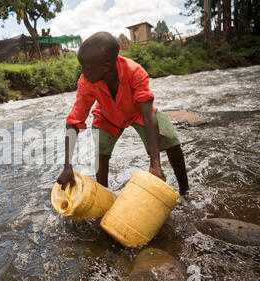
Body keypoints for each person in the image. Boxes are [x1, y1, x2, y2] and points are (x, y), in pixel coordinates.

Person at [56, 32, 189, 196]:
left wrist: (155, 163)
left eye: (87, 67)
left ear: (105, 67)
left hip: (137, 113)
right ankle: (103, 197)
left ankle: (185, 191)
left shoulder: (135, 72)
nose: (82, 72)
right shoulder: (86, 81)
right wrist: (67, 166)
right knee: (101, 151)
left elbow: (148, 115)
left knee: (170, 138)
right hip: (107, 116)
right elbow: (74, 120)